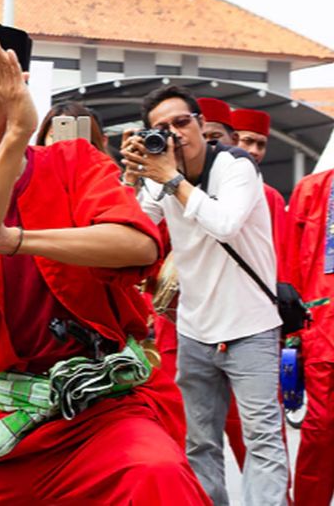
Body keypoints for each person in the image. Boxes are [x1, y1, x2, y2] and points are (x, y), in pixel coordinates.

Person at [0, 17, 205, 504]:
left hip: (108, 411)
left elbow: (138, 246)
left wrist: (16, 240)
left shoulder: (74, 162)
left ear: (15, 92)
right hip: (14, 419)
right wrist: (15, 139)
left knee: (157, 475)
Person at [122, 85, 287, 505]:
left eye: (182, 122)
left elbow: (225, 223)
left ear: (201, 125)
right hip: (196, 329)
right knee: (199, 444)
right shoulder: (162, 175)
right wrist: (132, 177)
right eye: (161, 128)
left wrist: (172, 180)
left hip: (251, 326)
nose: (175, 134)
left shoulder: (236, 165)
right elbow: (134, 226)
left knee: (262, 440)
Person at [286, 167, 334, 506]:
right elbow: (291, 266)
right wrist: (295, 331)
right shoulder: (313, 189)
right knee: (319, 433)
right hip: (324, 327)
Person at [229, 108, 288, 276]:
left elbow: (279, 250)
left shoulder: (271, 196)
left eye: (261, 145)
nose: (254, 150)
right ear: (232, 139)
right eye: (247, 141)